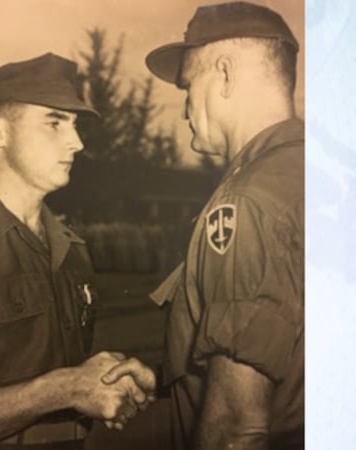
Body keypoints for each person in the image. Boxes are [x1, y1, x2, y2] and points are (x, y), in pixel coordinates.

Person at [103, 2, 304, 449]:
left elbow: (236, 427)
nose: (185, 111)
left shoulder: (247, 202)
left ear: (226, 74)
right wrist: (168, 378)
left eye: (188, 87)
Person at [0, 53, 156, 450]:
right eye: (54, 123)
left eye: (74, 125)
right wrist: (63, 389)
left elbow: (64, 377)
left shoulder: (70, 250)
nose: (77, 142)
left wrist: (108, 382)